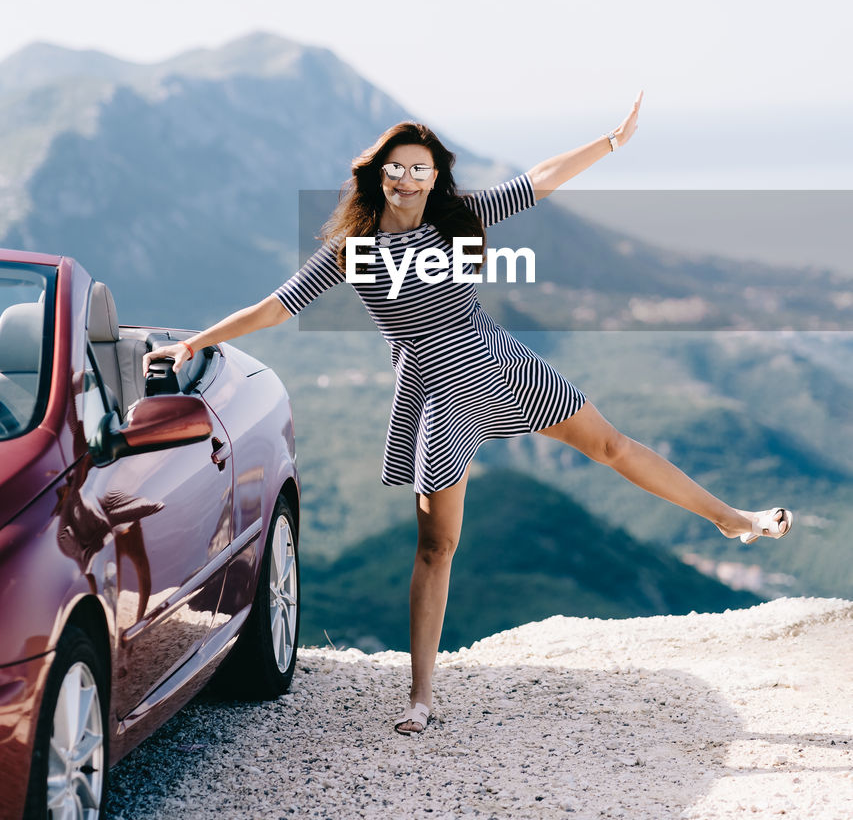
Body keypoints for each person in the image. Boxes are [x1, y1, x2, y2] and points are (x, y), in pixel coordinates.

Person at [143, 93, 793, 735]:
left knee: (613, 446)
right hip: (435, 391)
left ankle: (730, 519)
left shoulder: (458, 216)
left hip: (497, 360)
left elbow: (537, 181)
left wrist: (611, 141)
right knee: (437, 546)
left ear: (434, 177)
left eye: (419, 168)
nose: (406, 178)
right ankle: (421, 695)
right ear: (378, 175)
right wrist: (197, 342)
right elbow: (277, 306)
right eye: (394, 167)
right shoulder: (354, 249)